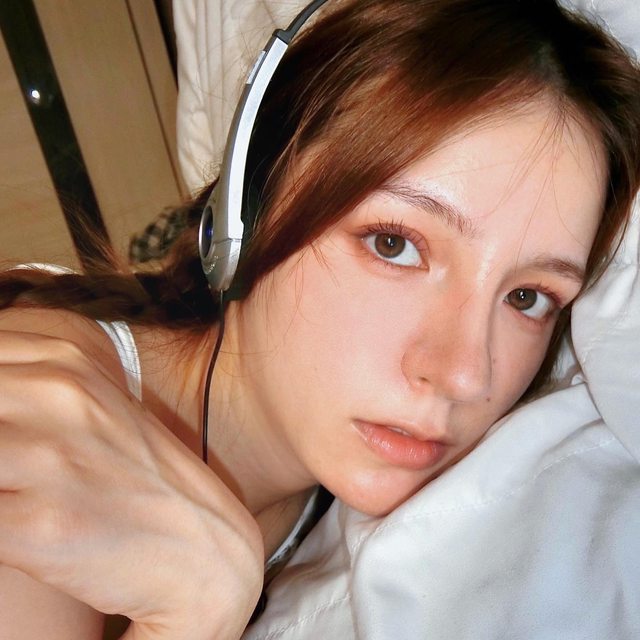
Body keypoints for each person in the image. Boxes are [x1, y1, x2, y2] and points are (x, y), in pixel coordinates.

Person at [1, 0, 639, 639]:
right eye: (394, 244)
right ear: (247, 212)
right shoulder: (39, 428)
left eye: (527, 298)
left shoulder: (342, 508)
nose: (465, 375)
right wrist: (199, 610)